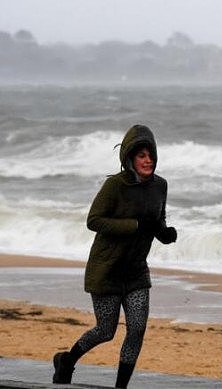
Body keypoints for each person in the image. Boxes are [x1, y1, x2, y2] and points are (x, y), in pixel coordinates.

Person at [52, 124, 177, 388]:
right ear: (130, 158)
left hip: (136, 271)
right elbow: (93, 220)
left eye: (151, 155)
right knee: (105, 331)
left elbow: (157, 220)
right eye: (141, 155)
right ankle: (67, 360)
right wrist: (133, 225)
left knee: (137, 330)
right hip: (107, 269)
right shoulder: (114, 186)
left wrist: (164, 234)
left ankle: (121, 387)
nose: (148, 160)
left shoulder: (160, 186)